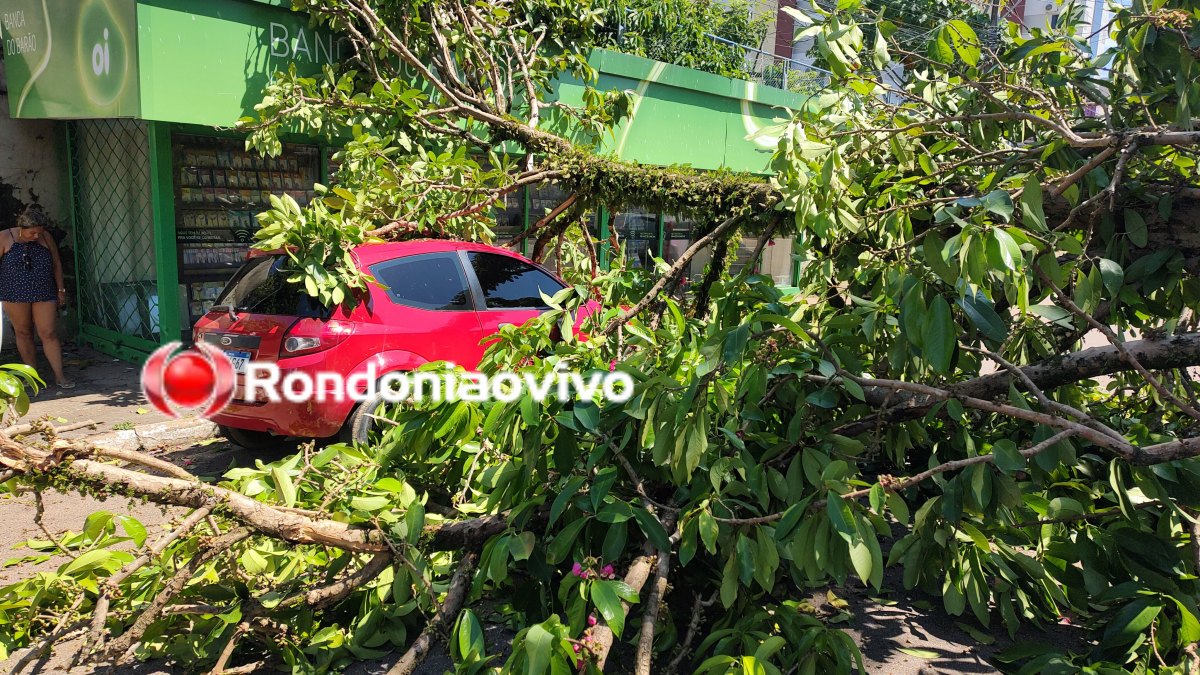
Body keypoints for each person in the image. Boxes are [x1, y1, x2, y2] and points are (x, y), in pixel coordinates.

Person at [0, 205, 74, 389]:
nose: (36, 236)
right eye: (32, 233)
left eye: (39, 233)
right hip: (14, 293)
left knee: (48, 332)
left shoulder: (45, 237)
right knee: (23, 332)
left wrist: (61, 290)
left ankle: (60, 376)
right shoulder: (5, 237)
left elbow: (56, 262)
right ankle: (32, 376)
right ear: (21, 228)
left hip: (44, 291)